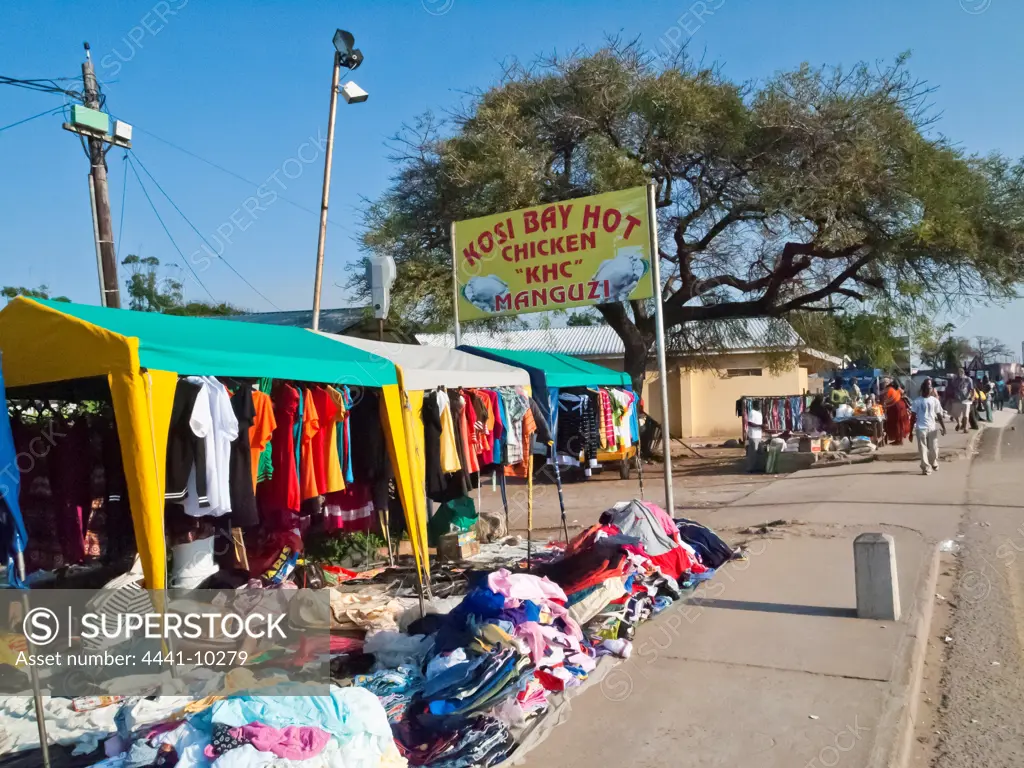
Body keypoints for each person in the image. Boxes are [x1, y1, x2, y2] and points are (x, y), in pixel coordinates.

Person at [911, 378, 946, 476]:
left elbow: (939, 415)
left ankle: (933, 461)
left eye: (930, 388)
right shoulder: (917, 401)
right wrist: (910, 432)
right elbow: (913, 417)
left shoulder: (934, 401)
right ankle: (926, 467)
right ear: (923, 389)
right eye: (927, 388)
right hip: (920, 428)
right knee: (923, 449)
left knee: (934, 448)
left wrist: (943, 427)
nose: (929, 390)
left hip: (932, 427)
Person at [882, 379, 910, 446]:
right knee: (899, 423)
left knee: (898, 423)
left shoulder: (889, 389)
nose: (884, 384)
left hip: (896, 407)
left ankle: (899, 440)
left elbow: (889, 399)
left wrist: (884, 405)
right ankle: (898, 439)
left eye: (885, 382)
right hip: (899, 406)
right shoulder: (894, 388)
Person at [947, 367, 975, 432]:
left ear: (963, 373)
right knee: (955, 414)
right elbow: (951, 388)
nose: (959, 374)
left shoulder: (968, 380)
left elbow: (972, 389)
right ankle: (959, 423)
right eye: (958, 373)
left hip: (966, 399)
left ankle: (965, 428)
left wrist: (972, 396)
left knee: (966, 414)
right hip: (957, 399)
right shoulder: (954, 380)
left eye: (961, 373)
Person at [745, 401, 763, 473]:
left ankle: (757, 467)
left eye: (760, 404)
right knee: (753, 453)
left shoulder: (759, 413)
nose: (760, 406)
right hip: (753, 435)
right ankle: (750, 468)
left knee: (759, 452)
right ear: (754, 405)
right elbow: (750, 423)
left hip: (759, 435)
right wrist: (760, 426)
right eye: (759, 404)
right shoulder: (752, 412)